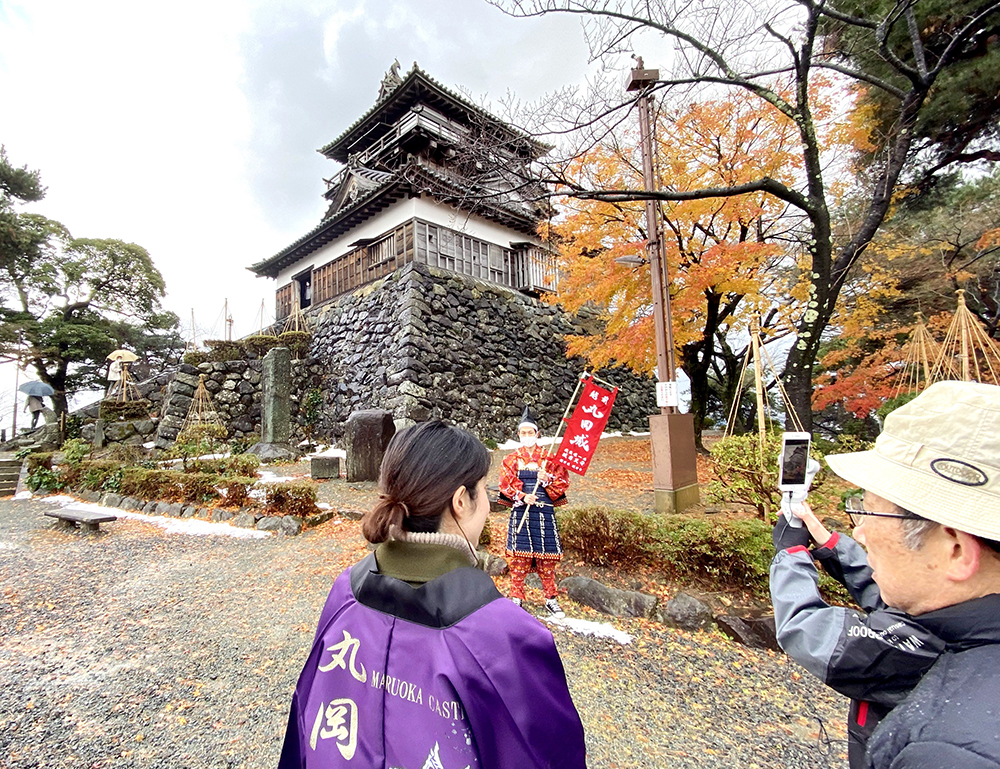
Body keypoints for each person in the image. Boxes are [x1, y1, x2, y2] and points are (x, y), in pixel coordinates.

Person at [279, 420, 586, 769]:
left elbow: (303, 722)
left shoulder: (345, 593)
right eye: (483, 490)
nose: (487, 504)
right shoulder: (506, 637)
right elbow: (546, 755)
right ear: (460, 500)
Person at [771, 380, 1000, 769]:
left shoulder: (944, 750)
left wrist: (790, 554)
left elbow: (809, 630)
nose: (859, 531)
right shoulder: (958, 622)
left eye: (870, 511)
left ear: (956, 549)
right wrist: (830, 545)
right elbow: (901, 599)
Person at [498, 407, 570, 616]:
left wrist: (547, 479)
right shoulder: (510, 460)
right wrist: (521, 496)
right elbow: (505, 485)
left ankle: (550, 597)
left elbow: (562, 483)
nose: (527, 437)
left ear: (537, 434)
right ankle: (517, 596)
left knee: (547, 556)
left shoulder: (549, 459)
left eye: (530, 433)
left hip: (544, 512)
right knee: (519, 557)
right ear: (518, 435)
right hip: (522, 511)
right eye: (523, 433)